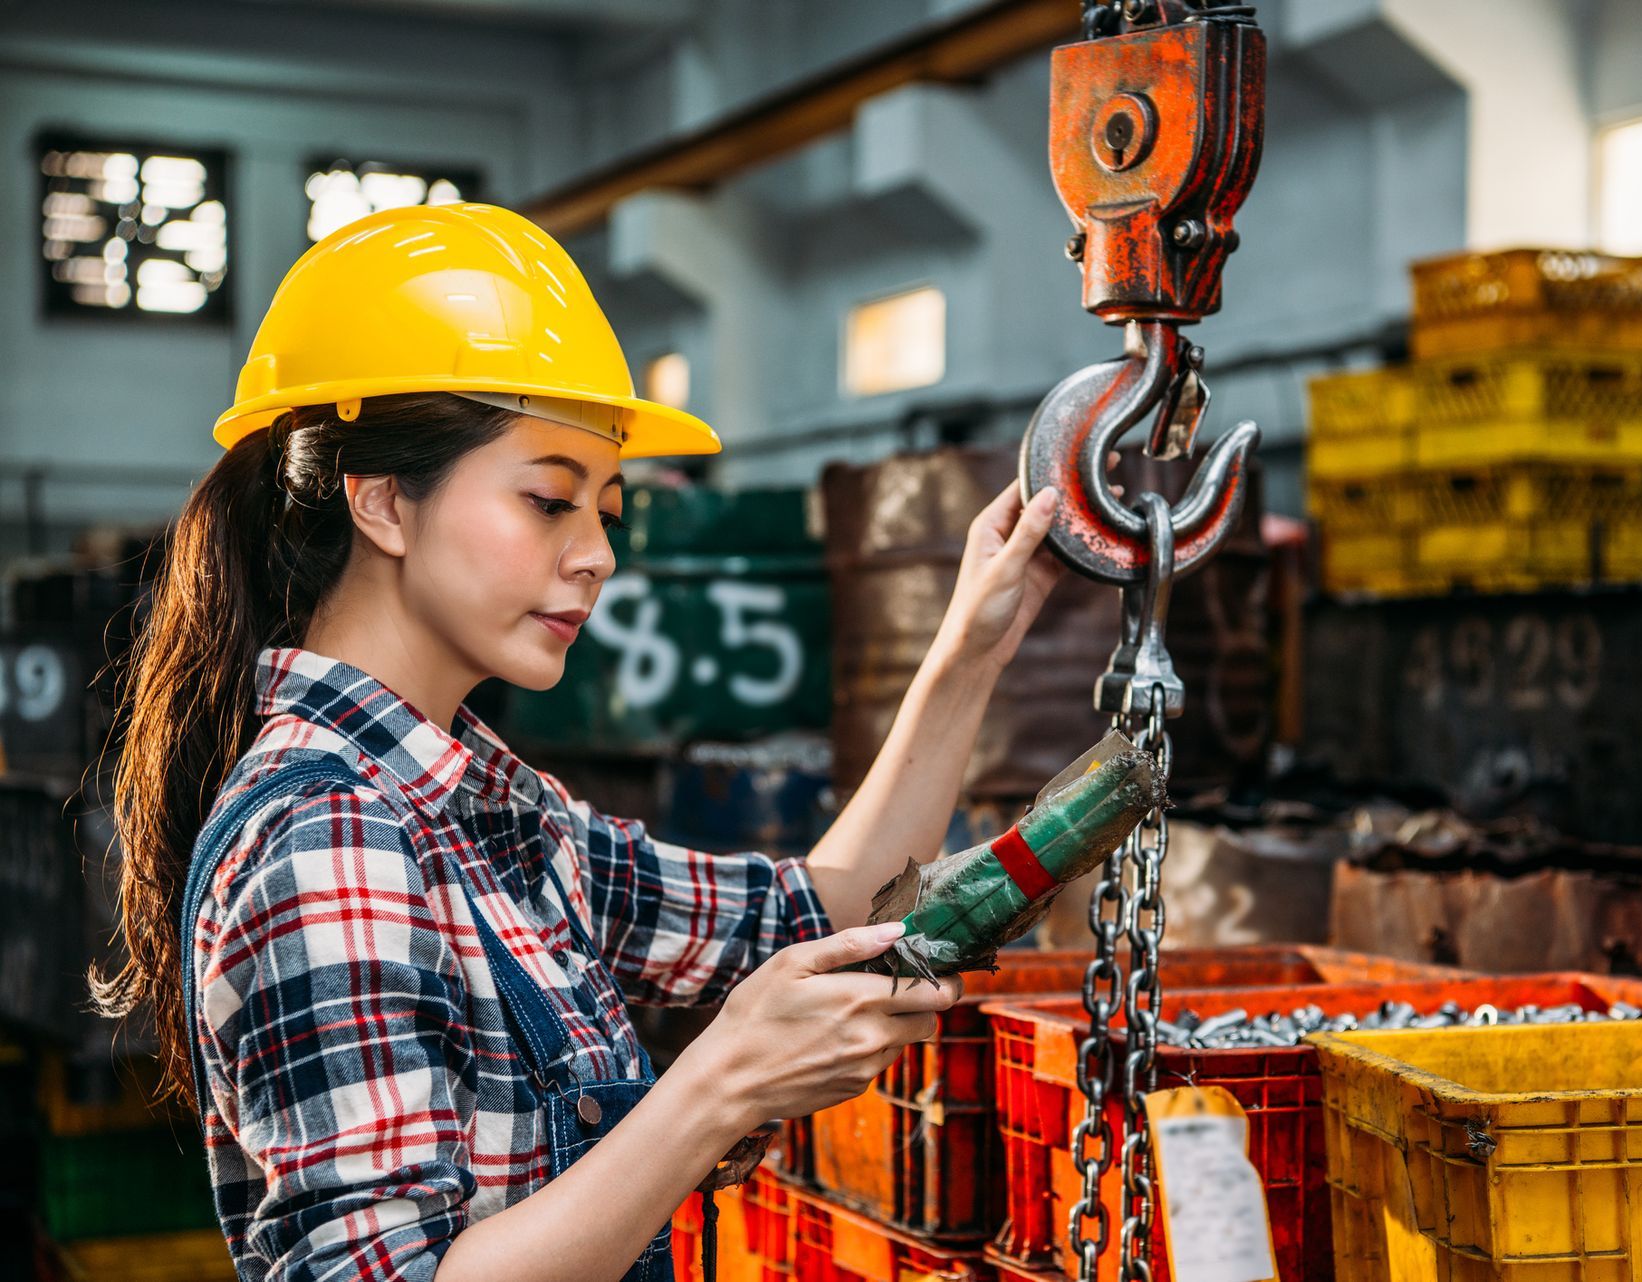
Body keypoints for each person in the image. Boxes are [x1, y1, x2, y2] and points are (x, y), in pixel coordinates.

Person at [93, 202, 1063, 1282]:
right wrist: (718, 1086)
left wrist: (973, 641)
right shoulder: (329, 840)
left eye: (606, 509)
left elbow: (821, 905)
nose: (597, 554)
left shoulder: (497, 816)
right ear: (382, 504)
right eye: (549, 501)